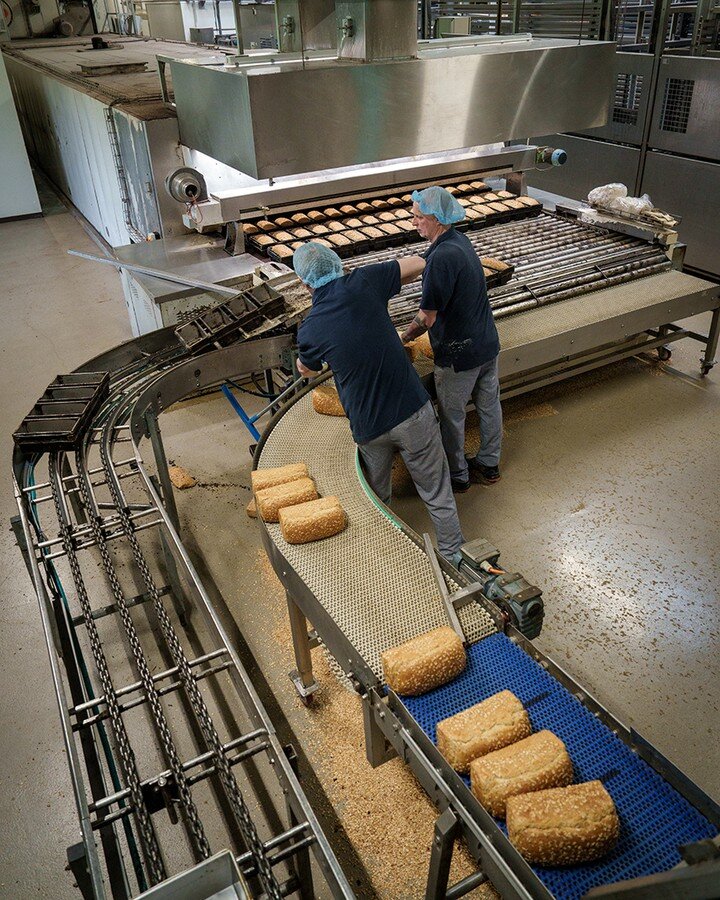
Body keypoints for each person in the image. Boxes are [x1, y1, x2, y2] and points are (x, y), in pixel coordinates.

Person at [294, 241, 465, 562]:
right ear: (338, 265)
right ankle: (453, 555)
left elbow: (307, 369)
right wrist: (398, 275)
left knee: (377, 499)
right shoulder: (365, 281)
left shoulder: (311, 328)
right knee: (437, 493)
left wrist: (303, 361)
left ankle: (388, 557)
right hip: (412, 411)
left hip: (369, 427)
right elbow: (417, 263)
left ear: (305, 284)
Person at [401, 185, 502, 493]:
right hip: (486, 344)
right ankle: (489, 463)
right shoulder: (460, 241)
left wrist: (402, 337)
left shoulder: (440, 259)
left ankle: (458, 476)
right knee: (489, 406)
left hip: (460, 355)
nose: (414, 223)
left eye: (420, 217)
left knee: (452, 417)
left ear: (438, 220)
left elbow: (426, 318)